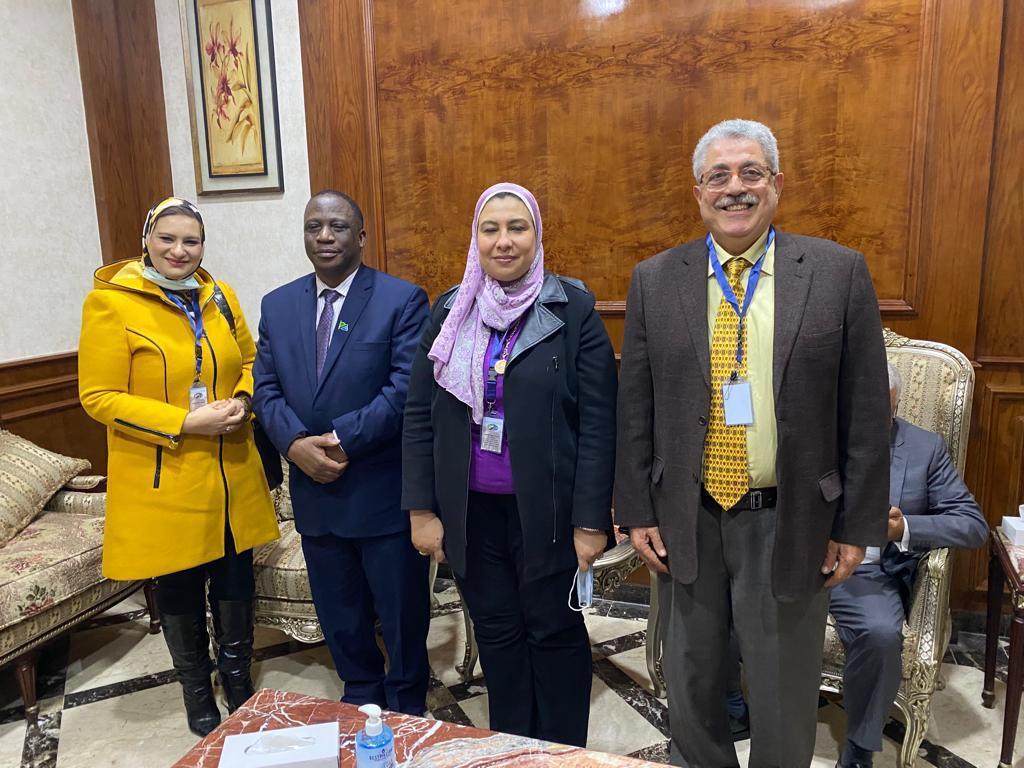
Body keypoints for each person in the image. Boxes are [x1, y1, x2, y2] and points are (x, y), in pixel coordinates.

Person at [615, 119, 892, 767]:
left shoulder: (836, 272)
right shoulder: (655, 279)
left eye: (750, 173)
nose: (734, 188)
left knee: (783, 695)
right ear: (698, 192)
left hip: (790, 519)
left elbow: (865, 413)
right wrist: (637, 511)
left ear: (777, 184)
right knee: (691, 684)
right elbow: (636, 409)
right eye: (718, 176)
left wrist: (855, 526)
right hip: (685, 518)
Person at [402, 182, 617, 747]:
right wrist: (422, 510)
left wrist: (591, 521)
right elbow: (419, 415)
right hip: (470, 515)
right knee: (497, 634)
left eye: (517, 227)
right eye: (490, 228)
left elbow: (599, 424)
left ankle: (561, 753)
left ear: (536, 235)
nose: (504, 241)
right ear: (475, 238)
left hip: (549, 514)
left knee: (553, 631)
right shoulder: (449, 311)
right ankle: (514, 749)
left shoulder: (573, 310)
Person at [78, 197, 279, 736]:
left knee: (235, 578)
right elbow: (98, 396)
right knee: (180, 586)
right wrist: (185, 422)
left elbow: (251, 360)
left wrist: (242, 399)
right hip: (166, 472)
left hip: (231, 468)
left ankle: (237, 677)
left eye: (191, 240)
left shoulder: (219, 297)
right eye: (167, 238)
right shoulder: (111, 303)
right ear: (146, 240)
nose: (179, 250)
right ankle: (196, 687)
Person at [252, 190, 431, 715]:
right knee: (339, 610)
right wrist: (294, 444)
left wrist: (341, 439)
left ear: (361, 236)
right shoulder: (277, 305)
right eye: (314, 227)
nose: (325, 236)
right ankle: (360, 695)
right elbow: (265, 389)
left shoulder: (401, 299)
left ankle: (406, 702)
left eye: (337, 226)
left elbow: (405, 389)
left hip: (380, 490)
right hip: (315, 490)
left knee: (401, 613)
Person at [827, 363, 987, 767]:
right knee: (727, 594)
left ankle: (859, 748)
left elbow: (971, 525)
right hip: (801, 562)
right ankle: (735, 708)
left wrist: (904, 528)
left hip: (868, 574)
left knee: (882, 634)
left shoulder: (924, 448)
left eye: (882, 412)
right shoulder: (816, 434)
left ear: (895, 406)